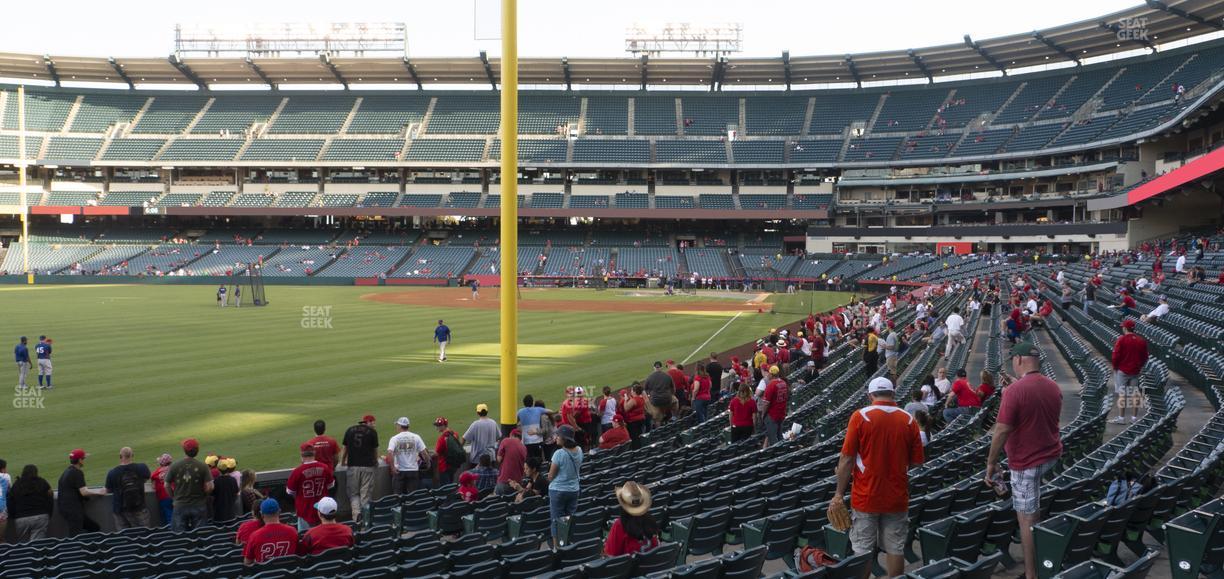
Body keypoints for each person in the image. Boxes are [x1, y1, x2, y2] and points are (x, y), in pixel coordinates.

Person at [828, 377, 924, 579]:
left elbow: (846, 459)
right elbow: (917, 462)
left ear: (871, 395)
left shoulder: (860, 416)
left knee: (862, 550)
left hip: (866, 496)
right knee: (895, 548)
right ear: (892, 394)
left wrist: (838, 494)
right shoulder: (908, 419)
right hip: (897, 496)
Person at [985, 340, 1063, 579]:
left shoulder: (1016, 391)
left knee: (1028, 518)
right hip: (1049, 453)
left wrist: (990, 463)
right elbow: (1032, 400)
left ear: (1018, 360)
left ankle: (1031, 575)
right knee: (1026, 511)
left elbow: (1001, 430)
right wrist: (1013, 388)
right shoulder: (1052, 385)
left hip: (1027, 461)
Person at [547, 425, 583, 547]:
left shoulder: (559, 453)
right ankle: (567, 544)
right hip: (574, 490)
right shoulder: (579, 450)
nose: (556, 437)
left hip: (558, 491)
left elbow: (551, 476)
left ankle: (557, 548)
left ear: (564, 438)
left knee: (556, 520)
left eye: (558, 435)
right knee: (569, 519)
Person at [167, 438, 213, 532]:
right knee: (200, 536)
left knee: (180, 538)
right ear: (197, 450)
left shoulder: (174, 465)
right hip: (199, 505)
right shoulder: (203, 466)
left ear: (184, 450)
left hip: (180, 505)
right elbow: (210, 486)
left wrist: (174, 497)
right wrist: (204, 495)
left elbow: (166, 485)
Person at [286, 443, 335, 532]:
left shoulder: (297, 471)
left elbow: (290, 491)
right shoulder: (324, 467)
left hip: (304, 510)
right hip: (323, 509)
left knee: (305, 538)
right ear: (314, 454)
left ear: (301, 455)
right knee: (323, 535)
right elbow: (331, 485)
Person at [604, 481, 661, 556]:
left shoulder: (619, 525)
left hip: (631, 566)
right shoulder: (650, 520)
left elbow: (611, 554)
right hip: (653, 565)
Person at [339, 414, 379, 523]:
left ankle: (357, 518)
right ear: (368, 422)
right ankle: (366, 520)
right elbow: (375, 451)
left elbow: (345, 448)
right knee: (365, 495)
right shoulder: (372, 432)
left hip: (353, 466)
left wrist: (342, 461)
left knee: (354, 494)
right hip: (368, 467)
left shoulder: (350, 430)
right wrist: (375, 461)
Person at [58, 448, 106, 536]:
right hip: (73, 510)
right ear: (80, 460)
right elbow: (84, 492)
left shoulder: (66, 472)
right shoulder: (77, 472)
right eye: (83, 458)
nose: (84, 460)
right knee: (75, 536)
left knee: (94, 528)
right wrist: (99, 492)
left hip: (66, 509)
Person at [104, 446, 152, 530]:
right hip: (139, 507)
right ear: (132, 455)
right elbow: (146, 478)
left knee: (125, 537)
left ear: (120, 456)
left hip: (120, 509)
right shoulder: (142, 467)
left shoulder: (112, 473)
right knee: (144, 534)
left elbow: (108, 489)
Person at [1110, 319, 1148, 424]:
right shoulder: (1141, 340)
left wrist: (1115, 367)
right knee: (1135, 393)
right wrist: (1139, 366)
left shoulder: (1121, 339)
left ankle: (1121, 418)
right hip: (1135, 370)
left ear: (1125, 328)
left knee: (1122, 394)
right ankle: (1134, 418)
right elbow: (1145, 357)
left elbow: (1115, 355)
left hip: (1122, 370)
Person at [243, 498, 300, 566]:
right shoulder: (292, 531)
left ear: (261, 514)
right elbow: (298, 554)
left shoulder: (254, 536)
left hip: (265, 574)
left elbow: (247, 562)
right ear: (279, 511)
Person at [8, 464, 53, 541]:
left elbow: (11, 502)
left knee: (24, 546)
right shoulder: (42, 482)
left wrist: (13, 516)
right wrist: (48, 513)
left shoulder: (16, 484)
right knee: (37, 545)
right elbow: (50, 499)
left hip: (21, 518)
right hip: (40, 516)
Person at [387, 417, 429, 494]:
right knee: (412, 496)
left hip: (399, 471)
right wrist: (428, 464)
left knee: (397, 496)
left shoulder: (394, 438)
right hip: (413, 471)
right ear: (408, 426)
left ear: (400, 426)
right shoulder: (416, 437)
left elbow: (390, 453)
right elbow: (424, 453)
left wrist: (392, 467)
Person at [463, 403, 501, 467]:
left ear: (478, 413)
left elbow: (464, 438)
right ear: (487, 412)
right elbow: (499, 437)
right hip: (491, 458)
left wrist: (460, 449)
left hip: (477, 459)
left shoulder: (475, 424)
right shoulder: (493, 423)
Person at [761, 366, 790, 446]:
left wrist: (763, 414)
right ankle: (782, 451)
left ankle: (778, 455)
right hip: (781, 413)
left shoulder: (771, 385)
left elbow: (766, 403)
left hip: (772, 415)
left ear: (771, 374)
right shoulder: (783, 383)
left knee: (773, 438)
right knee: (779, 435)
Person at [517, 395, 552, 460]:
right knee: (538, 460)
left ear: (524, 403)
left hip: (526, 441)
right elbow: (550, 411)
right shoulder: (538, 409)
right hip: (537, 441)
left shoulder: (520, 411)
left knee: (529, 461)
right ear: (532, 402)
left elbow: (515, 421)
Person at [496, 428, 527, 495]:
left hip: (504, 480)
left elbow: (499, 459)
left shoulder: (506, 441)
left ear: (512, 435)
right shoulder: (524, 447)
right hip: (517, 484)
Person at [433, 417, 463, 485]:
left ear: (443, 426)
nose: (436, 427)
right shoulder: (455, 434)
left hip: (444, 466)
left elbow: (436, 453)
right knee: (451, 484)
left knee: (446, 487)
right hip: (453, 465)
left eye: (438, 425)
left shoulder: (441, 438)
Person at [213, 457, 240, 523]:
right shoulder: (233, 480)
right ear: (228, 469)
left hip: (219, 515)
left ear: (218, 469)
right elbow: (236, 493)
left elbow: (212, 496)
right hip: (231, 514)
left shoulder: (216, 481)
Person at [151, 453, 174, 526]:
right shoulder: (173, 469)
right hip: (176, 496)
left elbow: (153, 482)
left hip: (164, 498)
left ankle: (171, 534)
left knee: (167, 517)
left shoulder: (157, 472)